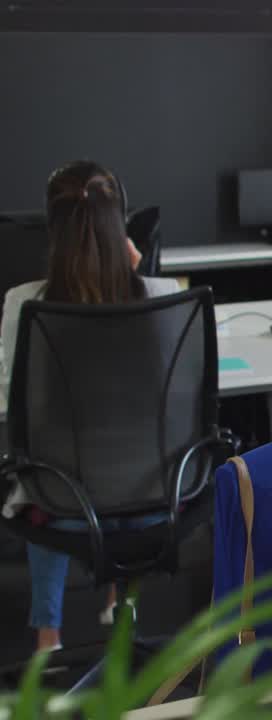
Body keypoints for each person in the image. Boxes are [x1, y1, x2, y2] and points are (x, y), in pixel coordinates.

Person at [0, 161, 180, 653]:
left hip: (62, 502)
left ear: (53, 231)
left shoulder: (25, 303)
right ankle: (122, 604)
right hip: (150, 498)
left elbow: (8, 402)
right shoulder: (162, 297)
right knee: (113, 461)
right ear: (120, 225)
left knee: (43, 471)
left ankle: (48, 638)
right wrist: (137, 273)